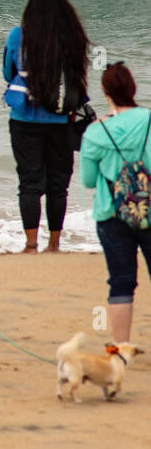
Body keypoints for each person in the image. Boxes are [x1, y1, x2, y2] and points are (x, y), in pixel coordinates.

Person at [3, 0, 90, 253]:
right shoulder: (74, 37)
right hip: (63, 121)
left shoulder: (19, 35)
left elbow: (8, 73)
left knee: (29, 182)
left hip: (24, 120)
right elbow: (78, 78)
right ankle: (54, 244)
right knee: (58, 185)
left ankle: (30, 244)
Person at [80, 62, 151, 344]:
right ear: (133, 88)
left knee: (121, 283)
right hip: (149, 210)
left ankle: (120, 349)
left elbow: (87, 180)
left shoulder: (96, 132)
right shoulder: (148, 119)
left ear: (105, 92)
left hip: (112, 215)